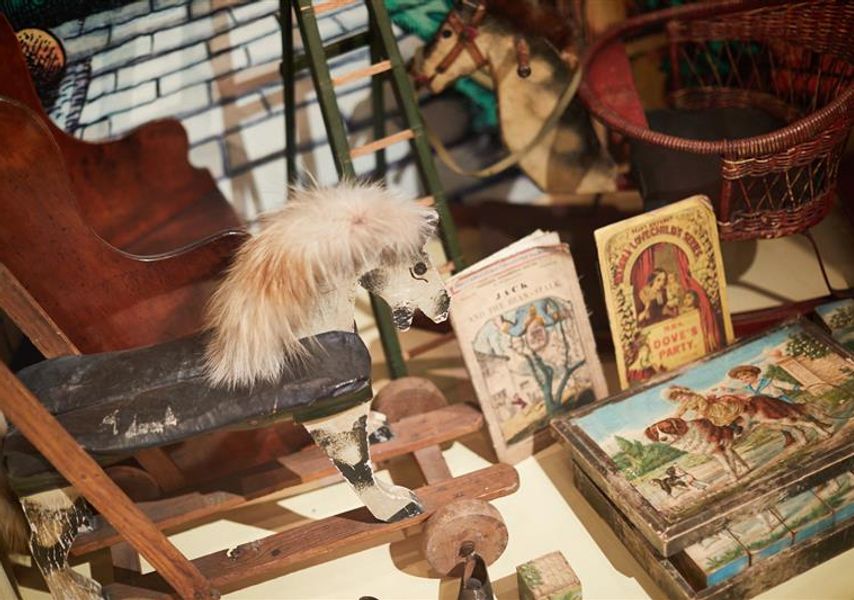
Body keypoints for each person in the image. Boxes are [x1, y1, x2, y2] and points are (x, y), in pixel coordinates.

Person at [663, 385, 745, 429]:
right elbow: (679, 411)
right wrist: (674, 418)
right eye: (678, 399)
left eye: (681, 397)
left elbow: (704, 405)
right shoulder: (684, 404)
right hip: (702, 414)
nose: (681, 399)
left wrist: (701, 414)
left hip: (711, 409)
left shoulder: (696, 397)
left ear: (685, 393)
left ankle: (736, 427)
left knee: (720, 417)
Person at [727, 365, 800, 403]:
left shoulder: (767, 381)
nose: (745, 380)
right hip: (768, 406)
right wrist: (728, 390)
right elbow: (738, 392)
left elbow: (783, 384)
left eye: (747, 377)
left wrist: (797, 388)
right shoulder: (748, 388)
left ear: (755, 375)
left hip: (779, 400)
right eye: (742, 379)